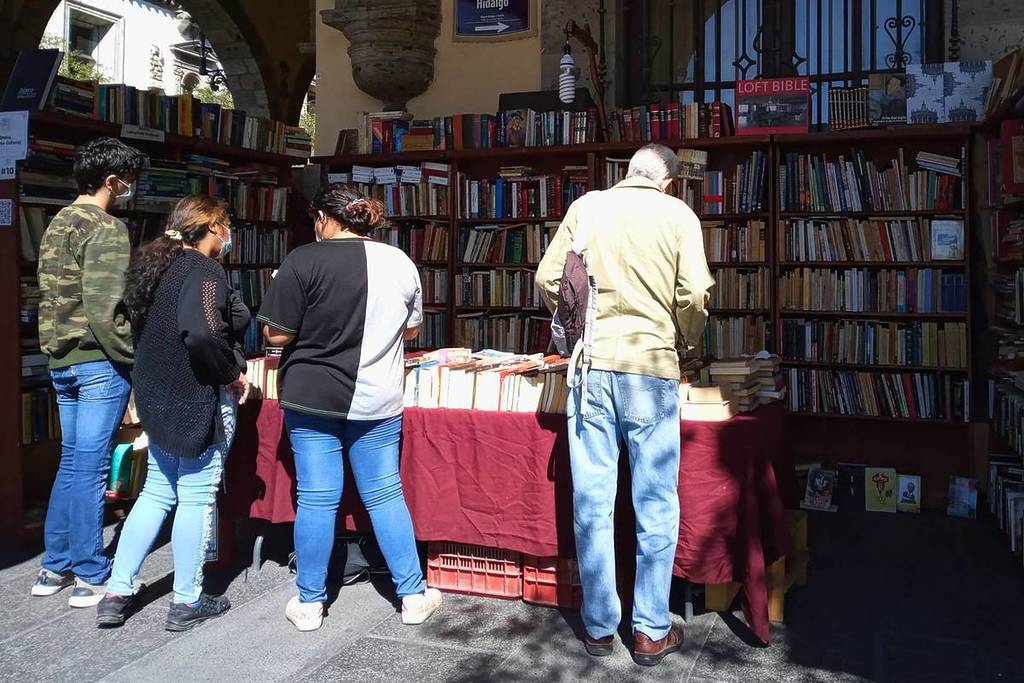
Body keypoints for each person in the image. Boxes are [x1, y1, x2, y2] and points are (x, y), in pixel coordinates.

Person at [535, 144, 713, 667]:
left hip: (590, 368)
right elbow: (696, 294)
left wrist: (578, 321)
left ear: (628, 173)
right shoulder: (678, 215)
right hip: (650, 366)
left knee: (592, 501)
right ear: (669, 182)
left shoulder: (587, 207)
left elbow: (548, 278)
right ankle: (651, 630)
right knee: (655, 501)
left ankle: (597, 627)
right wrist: (683, 343)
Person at [258, 184, 442, 632]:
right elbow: (412, 330)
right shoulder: (400, 262)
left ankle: (309, 602)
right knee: (383, 493)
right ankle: (412, 593)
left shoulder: (302, 260)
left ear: (324, 218)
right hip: (378, 398)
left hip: (312, 397)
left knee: (317, 499)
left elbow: (275, 336)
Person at [95, 196, 250, 631]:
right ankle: (186, 600)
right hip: (195, 395)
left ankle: (117, 591)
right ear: (215, 227)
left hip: (156, 393)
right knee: (197, 497)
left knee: (157, 491)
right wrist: (230, 373)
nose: (228, 235)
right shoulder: (203, 271)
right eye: (226, 226)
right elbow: (201, 331)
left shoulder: (156, 265)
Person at [32, 137, 147, 607]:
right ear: (112, 181)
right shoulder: (107, 227)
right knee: (92, 465)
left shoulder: (57, 222)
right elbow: (105, 306)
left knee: (74, 461)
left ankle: (53, 566)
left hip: (61, 359)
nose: (131, 190)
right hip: (99, 360)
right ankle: (90, 570)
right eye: (129, 181)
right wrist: (133, 357)